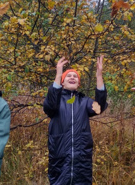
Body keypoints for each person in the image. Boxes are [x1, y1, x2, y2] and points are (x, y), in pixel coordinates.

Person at [43, 55, 108, 185]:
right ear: (62, 82)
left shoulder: (85, 102)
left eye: (75, 76)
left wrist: (99, 76)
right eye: (68, 76)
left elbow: (99, 107)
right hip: (60, 159)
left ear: (78, 84)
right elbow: (49, 105)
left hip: (81, 161)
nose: (72, 77)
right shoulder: (56, 101)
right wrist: (58, 73)